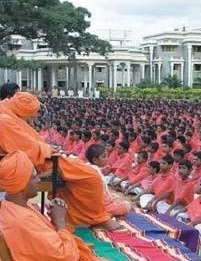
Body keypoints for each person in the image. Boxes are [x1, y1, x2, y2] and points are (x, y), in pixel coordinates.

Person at [0, 92, 116, 229]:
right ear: (24, 110)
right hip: (43, 161)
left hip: (45, 158)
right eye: (33, 114)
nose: (33, 118)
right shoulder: (5, 120)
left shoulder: (9, 115)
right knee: (91, 176)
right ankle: (97, 218)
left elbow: (27, 144)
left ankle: (74, 216)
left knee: (82, 169)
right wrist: (47, 149)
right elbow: (27, 148)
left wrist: (48, 148)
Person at [0, 151, 98, 260]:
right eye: (33, 177)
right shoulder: (22, 220)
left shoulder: (11, 206)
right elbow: (66, 257)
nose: (38, 180)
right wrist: (60, 222)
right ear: (21, 184)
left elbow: (45, 241)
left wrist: (54, 220)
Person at [85, 144, 130, 217]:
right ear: (95, 160)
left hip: (90, 201)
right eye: (104, 156)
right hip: (96, 204)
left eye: (106, 156)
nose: (107, 159)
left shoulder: (88, 166)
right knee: (126, 206)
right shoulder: (95, 172)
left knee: (116, 197)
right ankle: (103, 215)